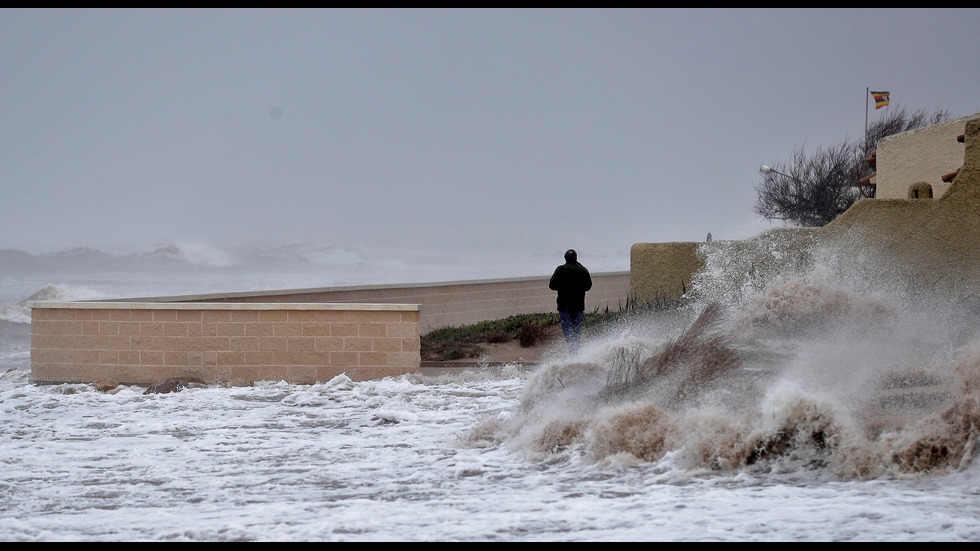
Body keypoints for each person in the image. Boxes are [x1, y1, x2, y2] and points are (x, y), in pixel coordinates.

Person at [549, 249, 592, 354]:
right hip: (578, 306)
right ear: (576, 258)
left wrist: (563, 286)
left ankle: (573, 351)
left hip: (564, 306)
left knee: (568, 329)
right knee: (577, 330)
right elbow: (588, 286)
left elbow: (552, 285)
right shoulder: (583, 270)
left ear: (565, 258)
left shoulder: (560, 270)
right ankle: (575, 352)